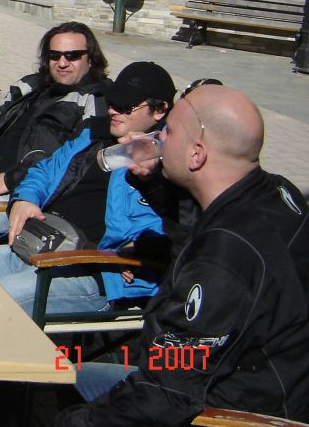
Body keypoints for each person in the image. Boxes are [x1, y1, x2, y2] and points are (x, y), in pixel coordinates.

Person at [57, 85, 309, 426]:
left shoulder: (222, 258)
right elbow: (197, 227)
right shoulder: (276, 192)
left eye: (169, 131)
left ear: (196, 154)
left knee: (58, 382)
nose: (158, 138)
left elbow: (166, 393)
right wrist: (153, 182)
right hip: (272, 385)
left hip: (230, 409)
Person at [0, 61, 175, 316]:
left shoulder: (167, 164)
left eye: (126, 106)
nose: (113, 110)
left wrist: (128, 251)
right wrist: (25, 199)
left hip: (95, 272)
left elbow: (171, 224)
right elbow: (44, 170)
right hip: (40, 243)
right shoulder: (93, 136)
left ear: (160, 110)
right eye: (112, 102)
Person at [0, 22, 109, 242]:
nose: (62, 63)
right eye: (54, 55)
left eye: (72, 56)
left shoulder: (95, 100)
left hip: (16, 198)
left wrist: (11, 178)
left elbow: (75, 163)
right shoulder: (31, 86)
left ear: (90, 58)